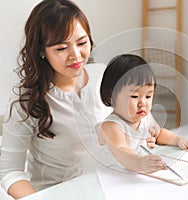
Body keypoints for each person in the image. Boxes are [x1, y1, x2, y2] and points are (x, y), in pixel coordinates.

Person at [0, 0, 112, 199]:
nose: (76, 56)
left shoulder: (104, 75)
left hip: (108, 186)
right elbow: (9, 172)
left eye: (82, 43)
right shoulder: (26, 103)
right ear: (42, 51)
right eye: (61, 48)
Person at [98, 54, 188, 174]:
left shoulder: (145, 117)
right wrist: (140, 162)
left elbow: (158, 134)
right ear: (112, 95)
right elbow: (121, 149)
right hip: (109, 176)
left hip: (134, 174)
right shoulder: (111, 126)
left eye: (148, 96)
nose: (143, 103)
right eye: (135, 96)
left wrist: (178, 140)